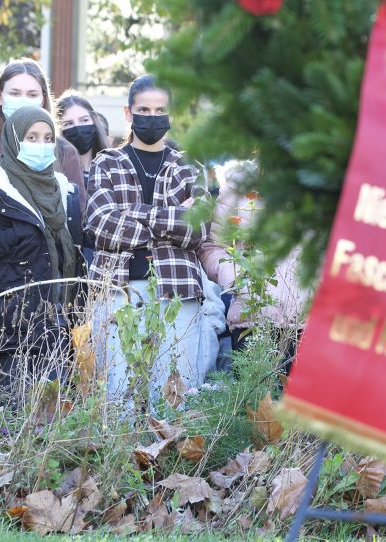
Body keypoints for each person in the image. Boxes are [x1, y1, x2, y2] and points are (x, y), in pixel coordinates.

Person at [86, 75, 213, 407]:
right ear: (128, 113)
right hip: (119, 290)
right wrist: (171, 215)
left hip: (177, 294)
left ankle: (170, 460)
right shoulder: (107, 163)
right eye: (144, 109)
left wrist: (133, 213)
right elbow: (101, 225)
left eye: (160, 110)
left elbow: (198, 230)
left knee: (174, 393)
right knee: (118, 394)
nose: (152, 117)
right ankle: (118, 459)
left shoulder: (189, 167)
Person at [0, 106, 80, 399]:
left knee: (49, 421)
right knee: (5, 421)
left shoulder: (61, 193)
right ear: (14, 140)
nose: (42, 145)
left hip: (51, 327)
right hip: (5, 330)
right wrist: (17, 233)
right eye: (31, 137)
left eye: (48, 138)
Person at [198, 160, 309, 368]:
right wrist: (234, 276)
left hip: (310, 324)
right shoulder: (241, 183)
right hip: (252, 321)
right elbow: (212, 246)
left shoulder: (322, 181)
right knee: (254, 400)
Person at [0, 59, 86, 212]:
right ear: (0, 97)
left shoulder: (64, 151)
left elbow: (77, 213)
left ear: (43, 100)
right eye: (15, 93)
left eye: (32, 94)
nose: (23, 100)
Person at [56, 91, 109, 181]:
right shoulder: (56, 175)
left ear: (94, 121)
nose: (78, 128)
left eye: (84, 120)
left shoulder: (111, 167)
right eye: (68, 123)